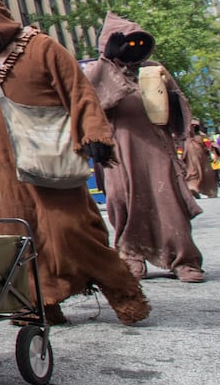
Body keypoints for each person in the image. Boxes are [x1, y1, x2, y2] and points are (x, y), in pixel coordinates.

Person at [0, 0, 150, 326]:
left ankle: (125, 293)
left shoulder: (42, 47)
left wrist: (94, 134)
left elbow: (78, 91)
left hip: (50, 154)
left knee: (71, 228)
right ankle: (39, 303)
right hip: (3, 165)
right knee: (18, 234)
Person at [83, 14, 205, 283]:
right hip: (118, 149)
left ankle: (184, 259)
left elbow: (177, 105)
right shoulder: (99, 71)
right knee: (119, 198)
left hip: (155, 145)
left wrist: (170, 100)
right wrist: (107, 62)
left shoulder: (152, 69)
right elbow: (90, 100)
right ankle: (130, 255)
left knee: (168, 199)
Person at [185, 123, 220, 199]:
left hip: (193, 157)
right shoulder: (201, 137)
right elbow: (209, 146)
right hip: (199, 157)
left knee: (193, 172)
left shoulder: (186, 139)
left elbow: (209, 146)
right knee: (203, 172)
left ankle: (194, 187)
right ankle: (207, 191)